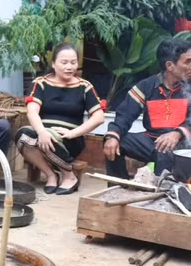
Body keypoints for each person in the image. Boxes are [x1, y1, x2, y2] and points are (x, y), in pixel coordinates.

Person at [15, 43, 105, 194]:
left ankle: (69, 176)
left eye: (73, 62)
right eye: (64, 62)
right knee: (23, 135)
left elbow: (99, 117)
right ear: (53, 63)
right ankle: (51, 175)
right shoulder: (40, 83)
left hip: (70, 139)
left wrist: (73, 132)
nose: (69, 67)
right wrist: (42, 131)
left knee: (45, 137)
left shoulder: (85, 86)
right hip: (42, 135)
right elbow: (32, 112)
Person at [104, 38, 191, 179]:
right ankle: (119, 185)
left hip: (183, 144)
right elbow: (124, 115)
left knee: (165, 150)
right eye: (187, 62)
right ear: (170, 66)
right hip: (150, 141)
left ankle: (162, 191)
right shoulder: (146, 86)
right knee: (113, 142)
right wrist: (113, 135)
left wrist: (177, 133)